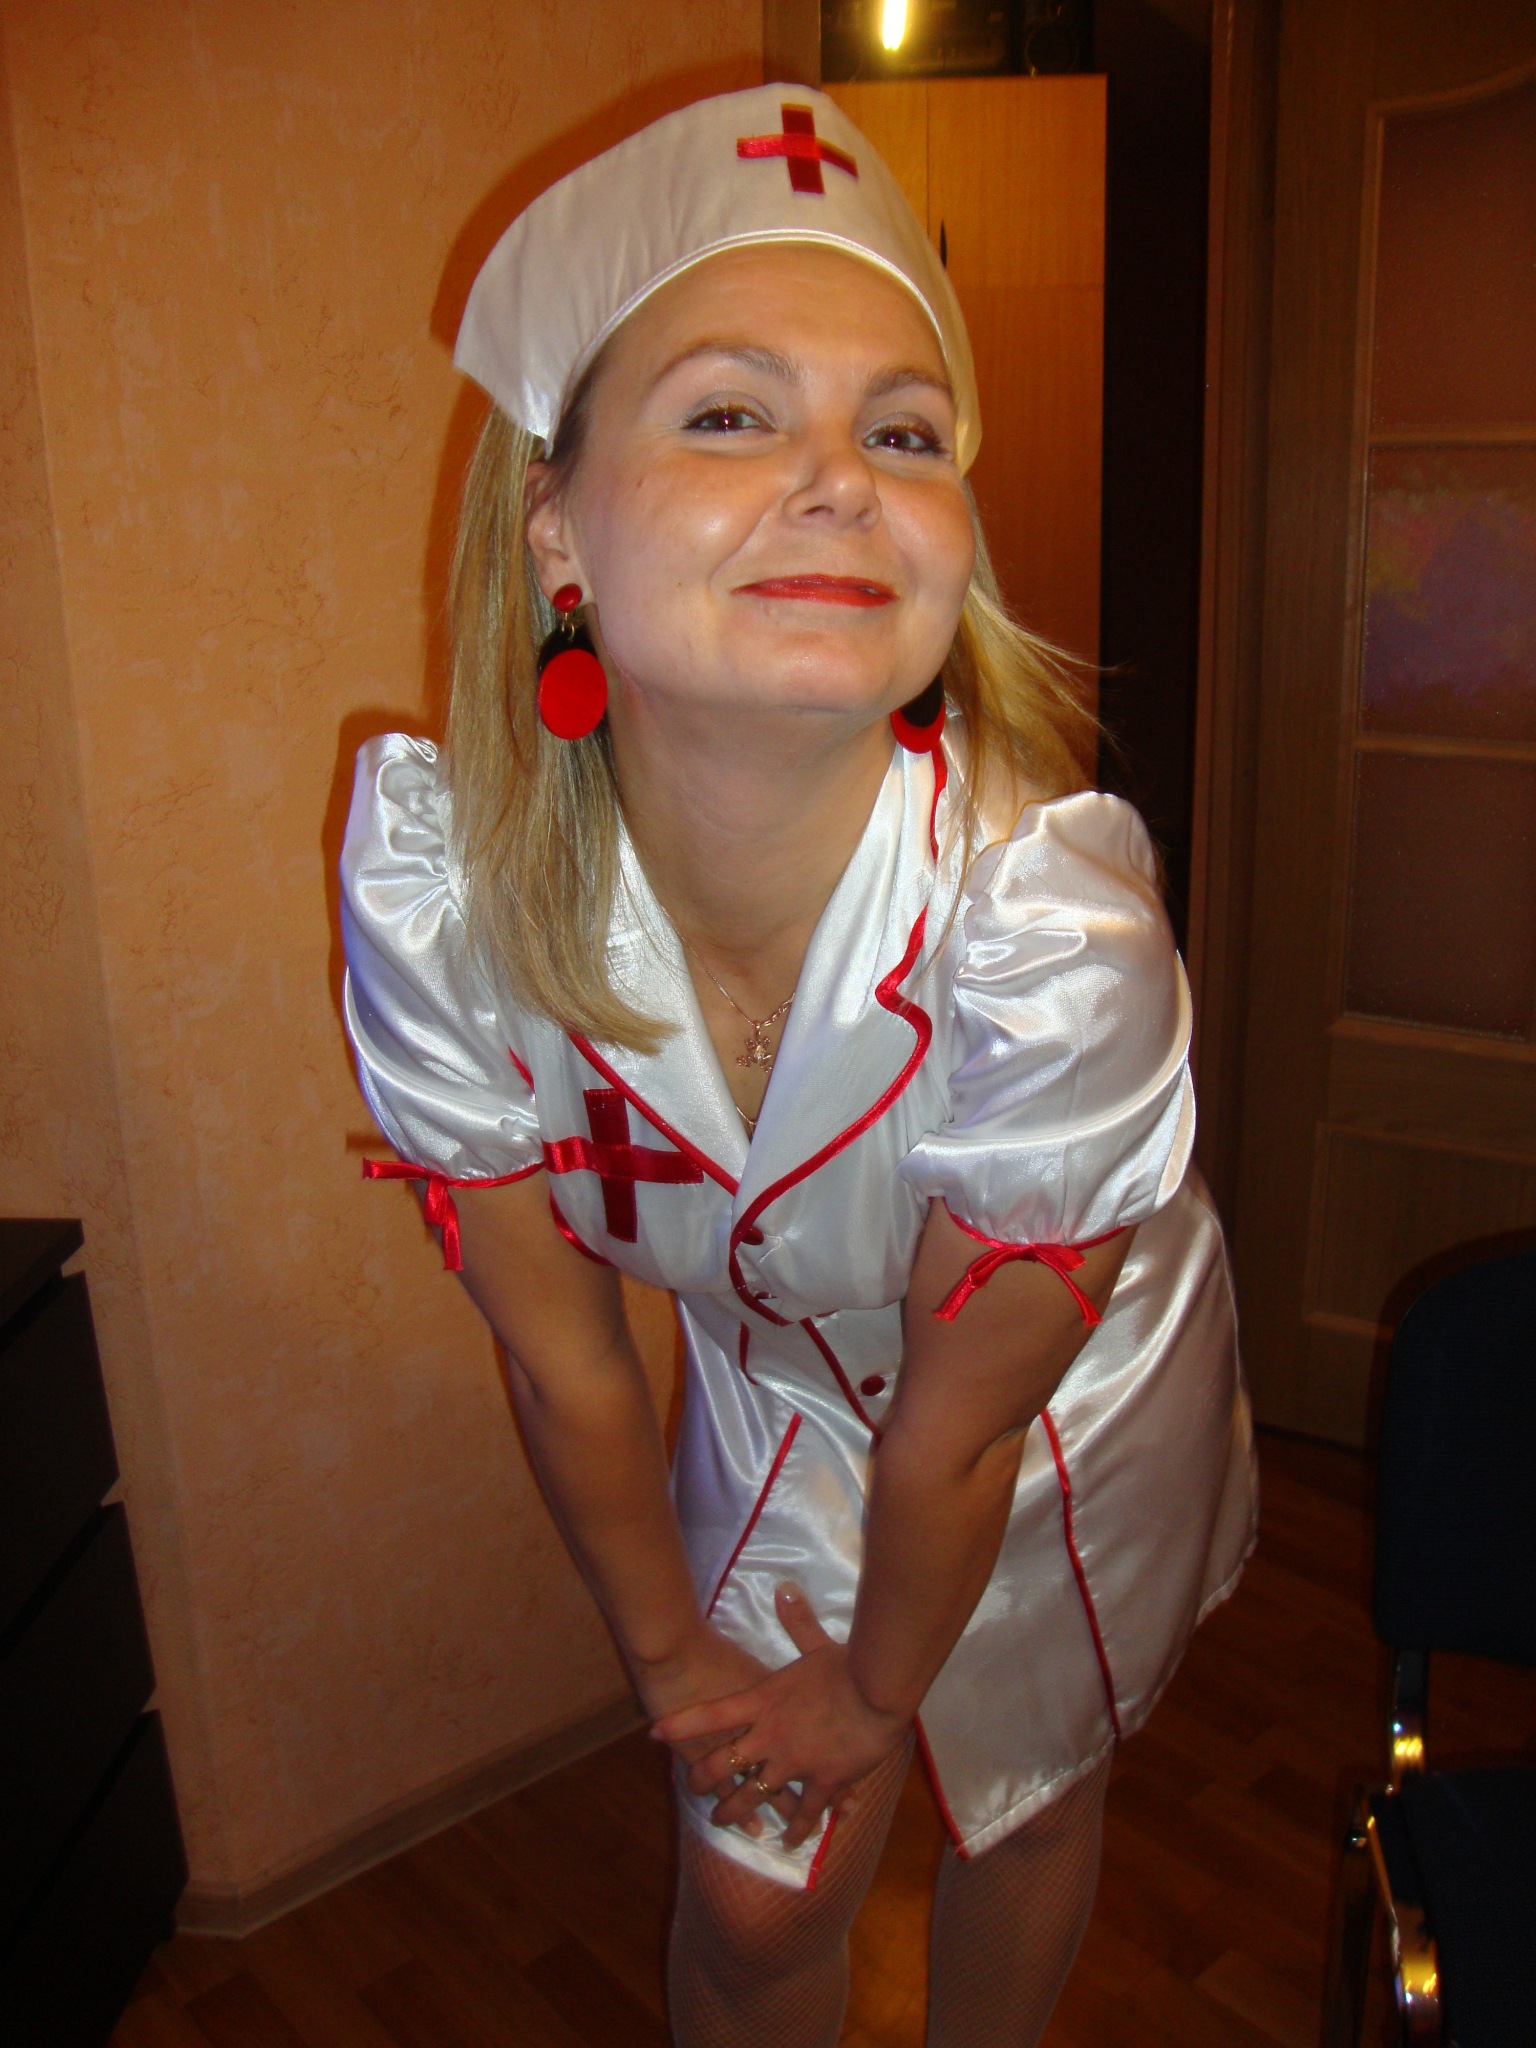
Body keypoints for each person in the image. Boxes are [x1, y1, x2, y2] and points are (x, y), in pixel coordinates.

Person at [340, 84, 1255, 2048]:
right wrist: (674, 1666)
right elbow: (567, 1358)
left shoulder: (1054, 939)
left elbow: (960, 1433)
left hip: (1061, 1411)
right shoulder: (451, 908)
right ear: (556, 523)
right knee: (756, 1907)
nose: (841, 476)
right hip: (775, 1390)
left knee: (1025, 1794)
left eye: (903, 432)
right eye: (732, 412)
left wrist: (877, 1685)